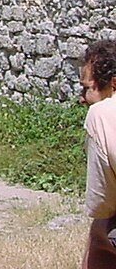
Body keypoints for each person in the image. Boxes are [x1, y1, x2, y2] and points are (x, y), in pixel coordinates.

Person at [81, 39, 116, 268]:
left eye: (86, 88)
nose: (81, 98)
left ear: (113, 84)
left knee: (100, 230)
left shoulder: (101, 114)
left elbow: (101, 204)